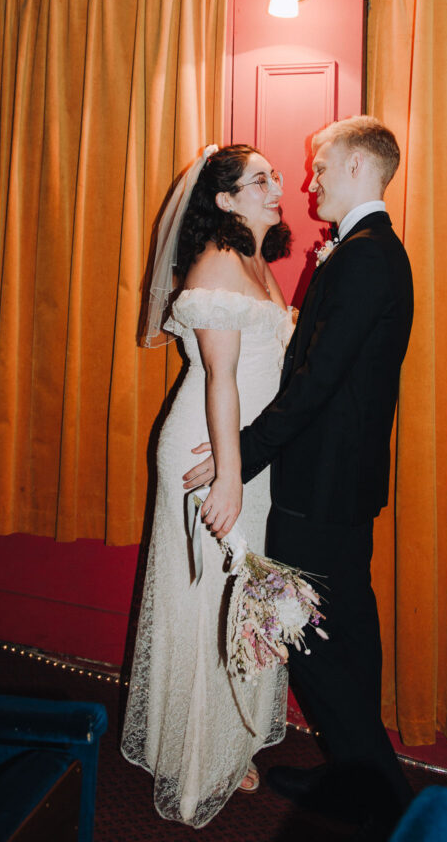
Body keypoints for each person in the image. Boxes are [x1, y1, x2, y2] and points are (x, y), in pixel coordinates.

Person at [184, 116, 415, 839]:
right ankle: (349, 776)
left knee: (303, 635)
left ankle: (385, 796)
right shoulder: (368, 251)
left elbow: (315, 384)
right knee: (347, 627)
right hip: (339, 481)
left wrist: (240, 458)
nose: (308, 181)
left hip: (321, 484)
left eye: (320, 168)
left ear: (355, 170)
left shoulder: (368, 257)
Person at [121, 144, 293, 828]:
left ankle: (228, 739)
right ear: (223, 200)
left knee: (239, 597)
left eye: (274, 176)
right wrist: (226, 474)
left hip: (244, 454)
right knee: (207, 601)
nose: (277, 185)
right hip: (207, 452)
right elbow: (220, 377)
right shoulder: (220, 262)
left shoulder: (255, 259)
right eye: (260, 179)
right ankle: (193, 771)